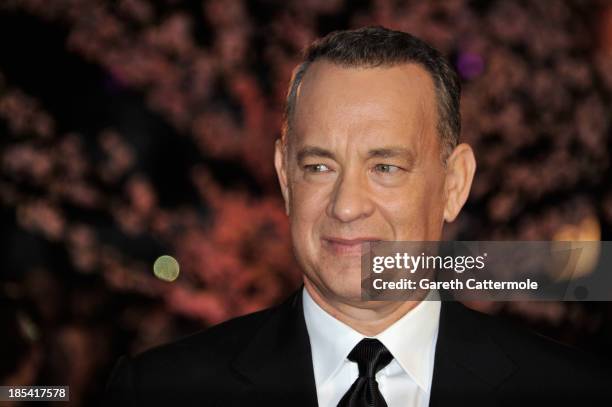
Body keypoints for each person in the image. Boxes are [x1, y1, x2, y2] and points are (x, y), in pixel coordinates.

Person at [104, 26, 610, 407]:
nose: (347, 205)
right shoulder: (159, 393)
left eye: (385, 166)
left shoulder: (573, 392)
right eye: (319, 166)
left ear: (453, 184)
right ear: (285, 177)